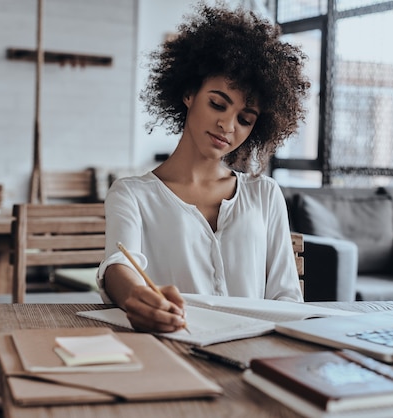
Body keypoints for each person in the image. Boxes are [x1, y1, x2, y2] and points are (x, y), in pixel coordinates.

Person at [97, 2, 310, 333]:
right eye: (217, 104)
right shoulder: (132, 195)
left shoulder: (265, 195)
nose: (227, 125)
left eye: (245, 118)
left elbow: (286, 297)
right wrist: (136, 297)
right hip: (172, 355)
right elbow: (118, 266)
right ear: (188, 93)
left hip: (254, 357)